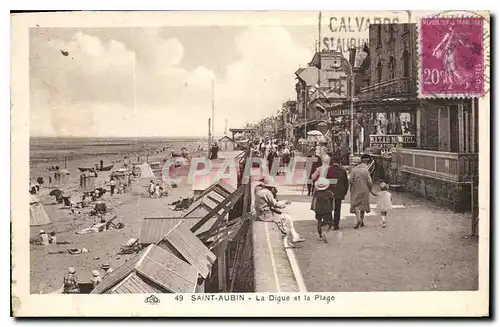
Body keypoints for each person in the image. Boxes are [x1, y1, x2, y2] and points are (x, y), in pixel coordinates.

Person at [254, 177, 305, 248]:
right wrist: (285, 202)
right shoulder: (266, 193)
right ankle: (287, 242)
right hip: (266, 215)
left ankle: (294, 236)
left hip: (262, 213)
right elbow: (276, 204)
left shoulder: (259, 190)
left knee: (287, 218)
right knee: (286, 221)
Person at [312, 155, 349, 230]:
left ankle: (330, 221)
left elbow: (327, 180)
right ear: (340, 162)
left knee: (329, 207)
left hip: (330, 190)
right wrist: (345, 192)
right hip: (340, 192)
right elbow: (346, 183)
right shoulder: (343, 170)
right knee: (337, 208)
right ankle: (336, 225)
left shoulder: (329, 170)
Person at [349, 154, 374, 229]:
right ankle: (362, 220)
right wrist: (370, 189)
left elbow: (350, 180)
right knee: (363, 205)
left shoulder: (354, 170)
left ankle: (358, 219)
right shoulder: (366, 170)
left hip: (356, 189)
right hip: (365, 189)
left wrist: (351, 185)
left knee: (356, 204)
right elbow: (370, 181)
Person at [311, 178, 334, 243]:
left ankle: (320, 235)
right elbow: (332, 201)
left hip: (318, 209)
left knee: (319, 221)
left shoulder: (316, 193)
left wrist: (314, 208)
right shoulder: (329, 193)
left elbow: (314, 202)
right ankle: (325, 232)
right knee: (327, 222)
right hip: (327, 209)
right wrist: (332, 208)